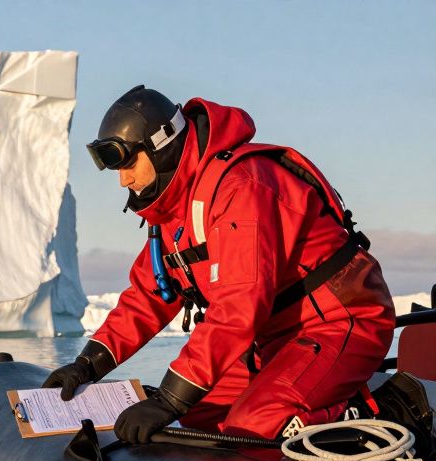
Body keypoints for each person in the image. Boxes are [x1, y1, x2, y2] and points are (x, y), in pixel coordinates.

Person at [45, 86, 394, 442]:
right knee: (199, 416)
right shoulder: (175, 213)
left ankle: (362, 414)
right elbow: (149, 296)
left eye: (129, 163)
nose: (124, 180)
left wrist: (168, 399)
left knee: (254, 425)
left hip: (338, 321)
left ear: (161, 146)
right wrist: (87, 365)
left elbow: (238, 306)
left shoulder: (240, 187)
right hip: (270, 335)